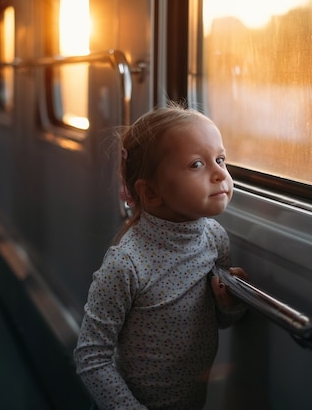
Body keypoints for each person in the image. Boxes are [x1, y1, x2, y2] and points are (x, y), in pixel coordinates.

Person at [74, 103, 248, 410]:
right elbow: (91, 355)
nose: (221, 173)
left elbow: (216, 322)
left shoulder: (215, 238)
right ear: (151, 193)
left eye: (220, 159)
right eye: (197, 164)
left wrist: (228, 305)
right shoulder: (127, 264)